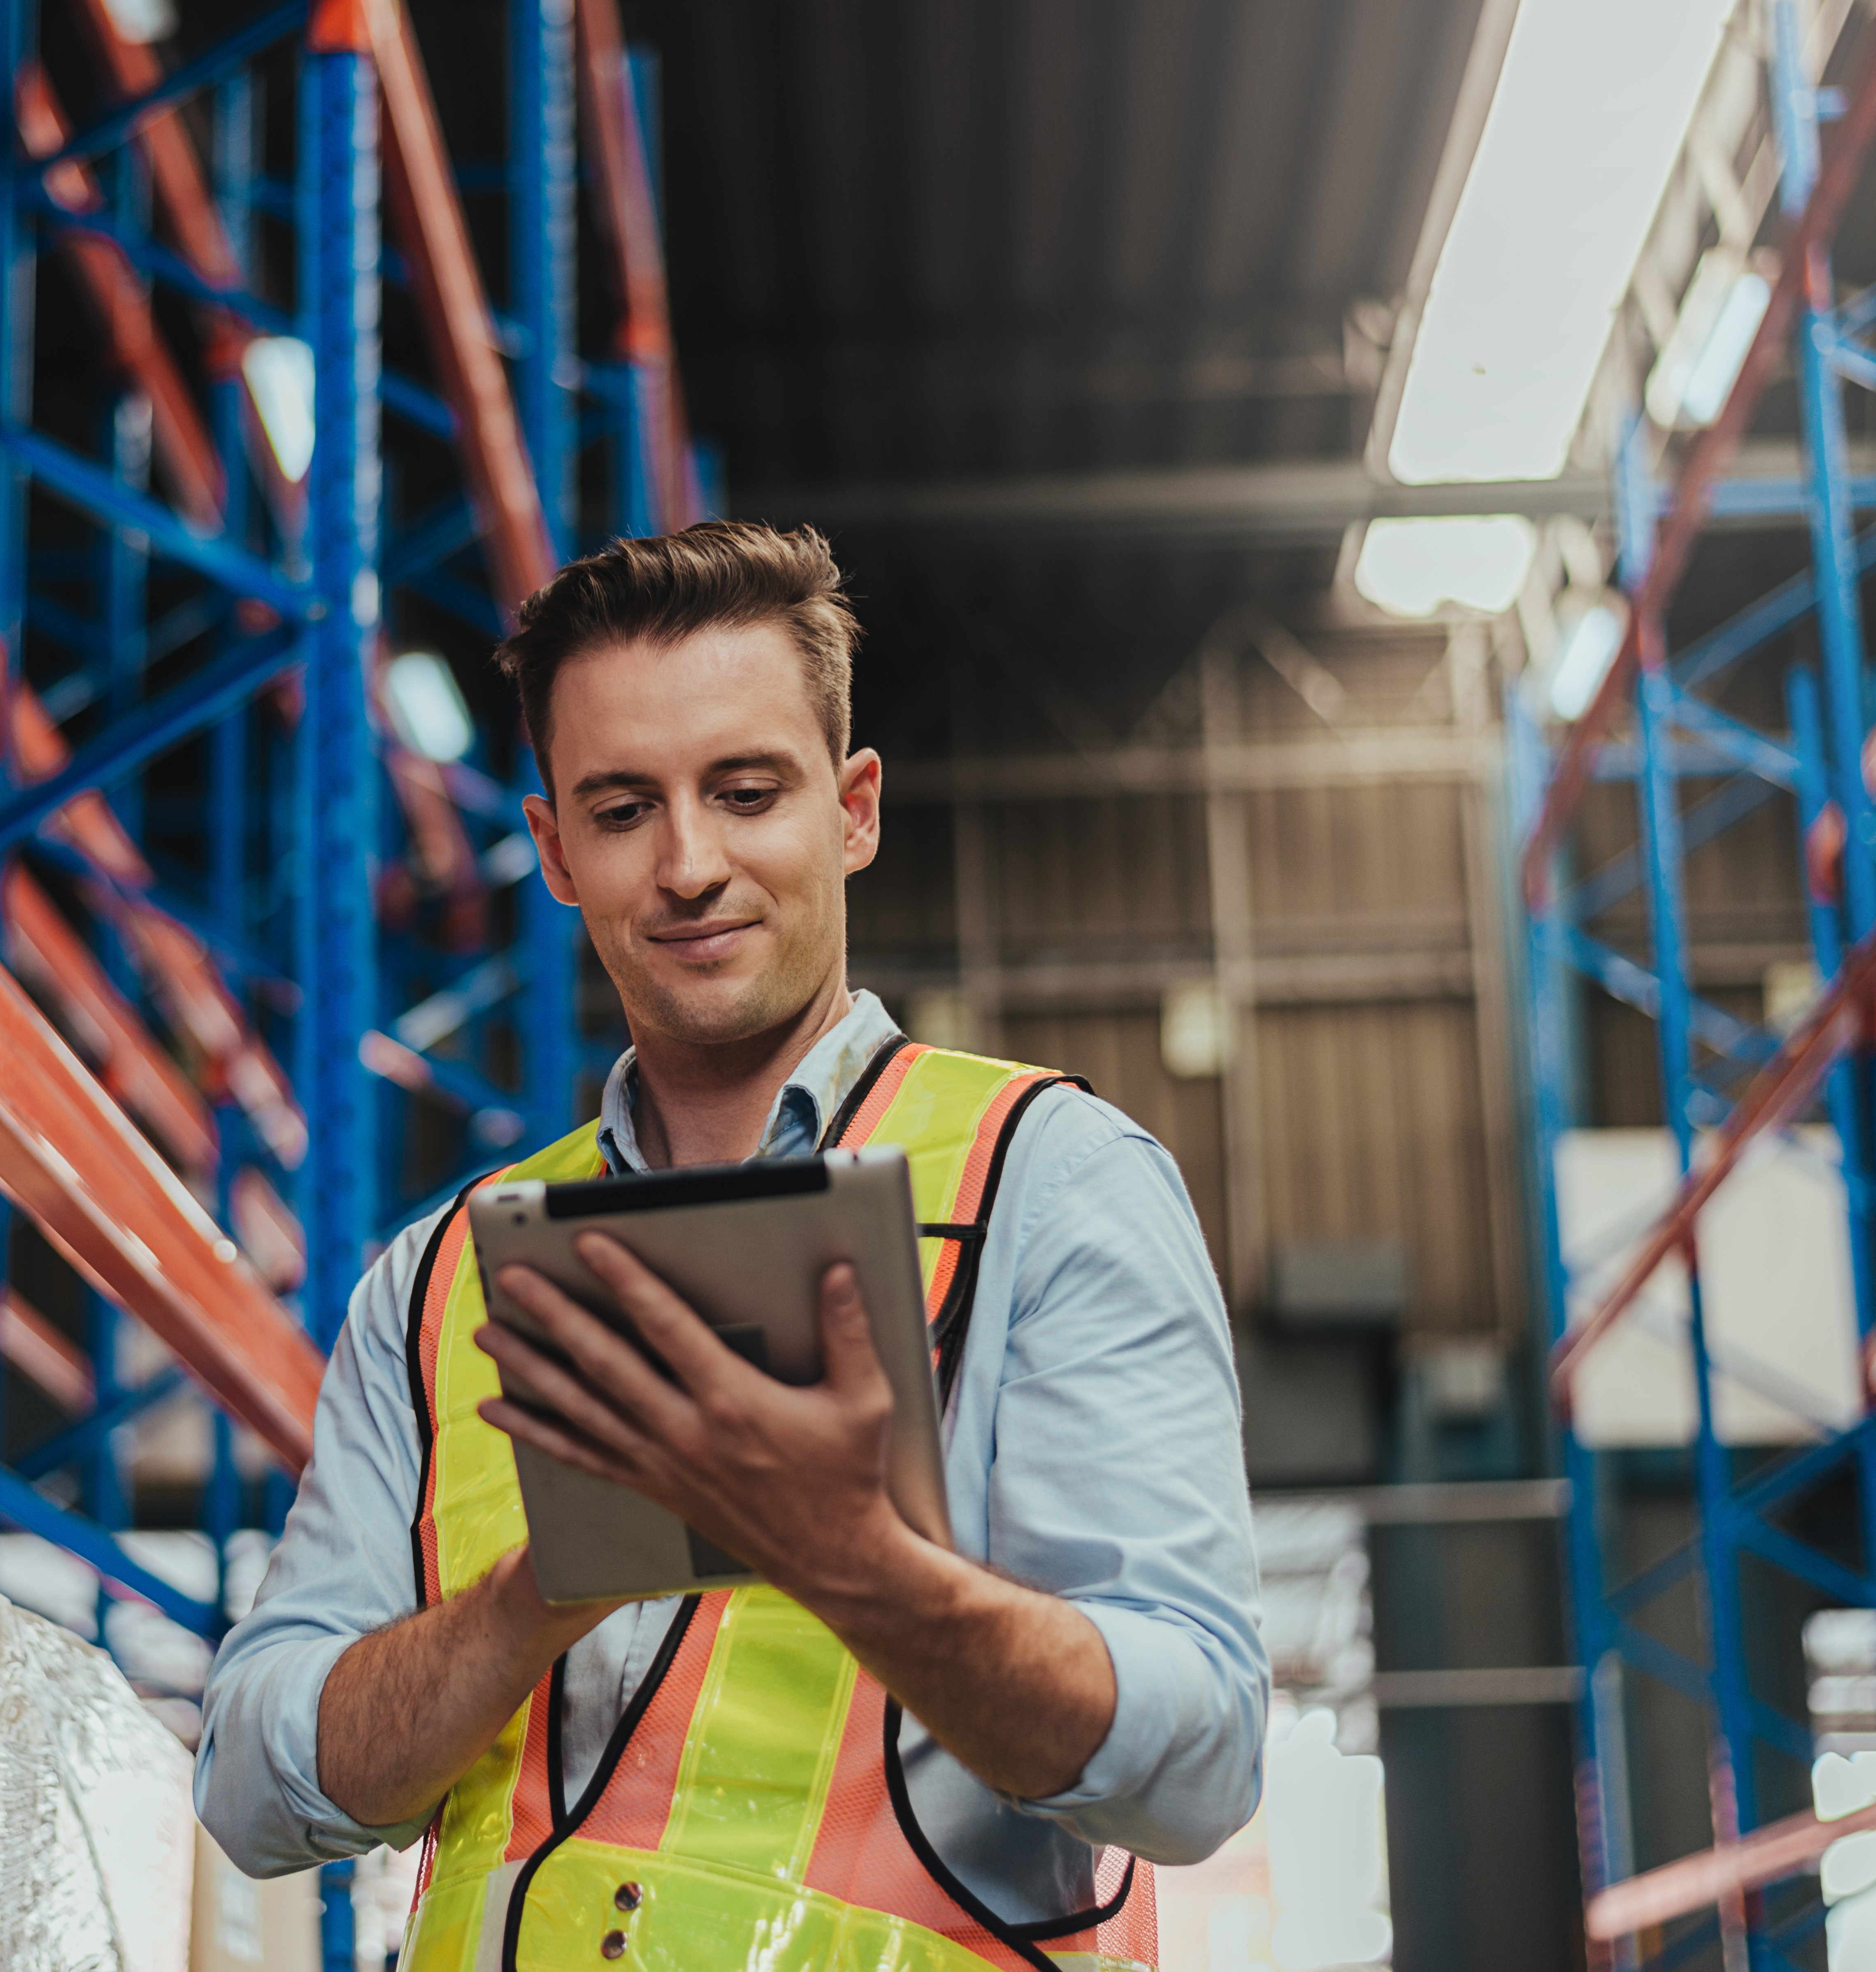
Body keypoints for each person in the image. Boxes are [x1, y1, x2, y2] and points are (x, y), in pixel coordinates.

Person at [198, 522, 1265, 1972]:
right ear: (555, 849)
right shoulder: (436, 1278)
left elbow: (1196, 1761)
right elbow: (255, 1788)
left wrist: (864, 1567)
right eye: (624, 809)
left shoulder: (1051, 1186)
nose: (690, 863)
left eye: (747, 791)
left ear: (853, 808)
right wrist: (534, 1597)